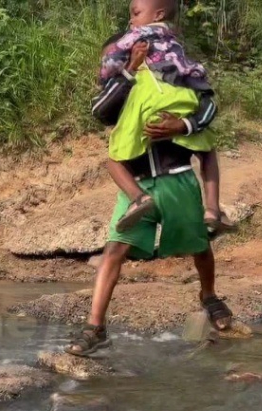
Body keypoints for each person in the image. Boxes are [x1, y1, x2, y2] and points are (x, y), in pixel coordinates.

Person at [64, 38, 233, 357]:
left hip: (177, 177)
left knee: (199, 245)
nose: (109, 66)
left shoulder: (175, 82)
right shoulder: (119, 89)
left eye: (116, 58)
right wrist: (128, 71)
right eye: (109, 62)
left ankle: (209, 296)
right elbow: (101, 111)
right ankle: (95, 327)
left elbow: (207, 110)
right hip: (136, 184)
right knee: (114, 249)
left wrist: (182, 124)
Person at [92, 3, 232, 235]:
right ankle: (212, 209)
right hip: (175, 122)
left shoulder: (139, 52)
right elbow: (100, 109)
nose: (131, 21)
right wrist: (188, 123)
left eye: (135, 14)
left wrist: (184, 125)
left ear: (158, 15)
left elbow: (102, 101)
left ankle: (138, 198)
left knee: (114, 159)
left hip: (162, 150)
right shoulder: (172, 49)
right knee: (207, 150)